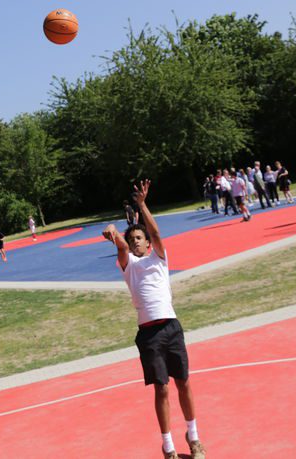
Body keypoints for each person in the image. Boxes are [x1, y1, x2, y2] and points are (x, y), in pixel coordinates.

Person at [102, 180, 206, 459]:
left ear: (148, 243)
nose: (135, 241)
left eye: (140, 237)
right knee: (162, 388)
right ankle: (168, 446)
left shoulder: (159, 259)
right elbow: (120, 245)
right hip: (149, 335)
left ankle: (194, 437)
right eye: (132, 238)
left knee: (183, 382)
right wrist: (113, 230)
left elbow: (157, 232)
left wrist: (142, 204)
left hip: (171, 327)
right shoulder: (129, 265)